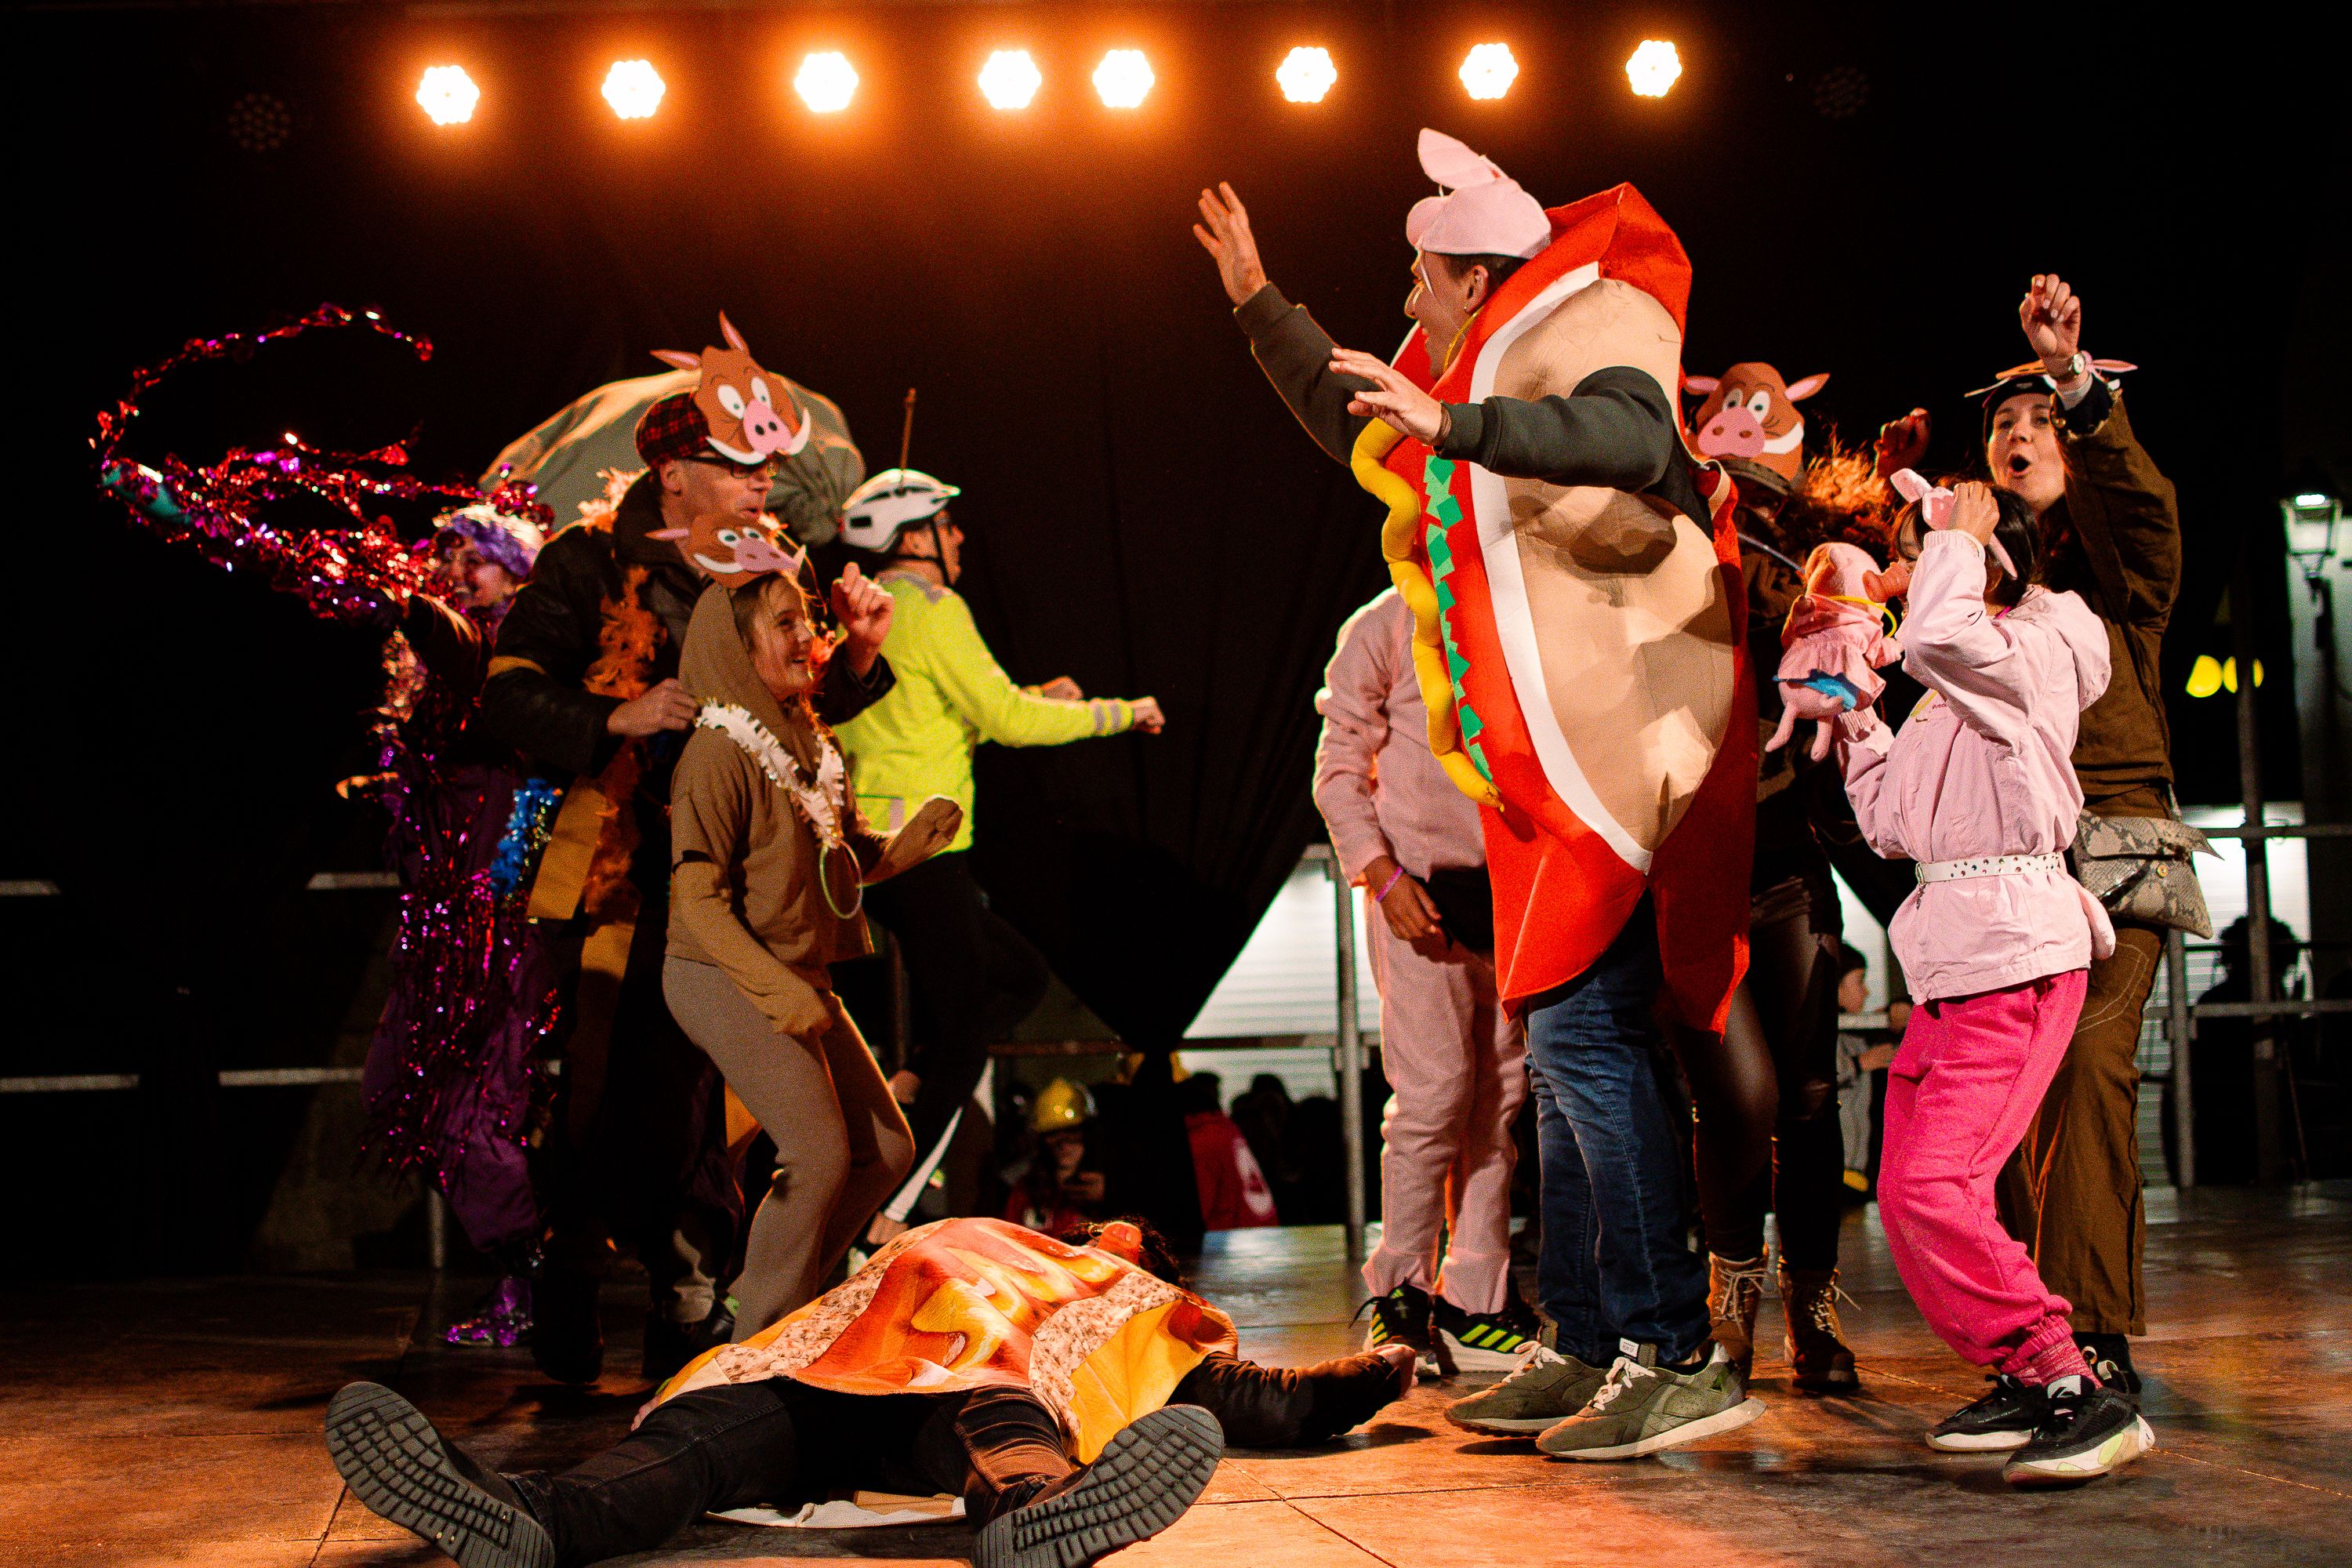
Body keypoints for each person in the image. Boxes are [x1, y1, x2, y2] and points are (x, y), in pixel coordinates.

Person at [1197, 130, 1765, 1461]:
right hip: (1545, 802)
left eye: (1420, 280)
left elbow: (1632, 432)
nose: (1406, 304)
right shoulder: (1475, 388)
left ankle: (1668, 1348)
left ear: (1475, 277)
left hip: (1620, 779)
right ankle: (1584, 1336)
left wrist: (1457, 420)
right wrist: (1255, 301)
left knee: (1583, 1057)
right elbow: (1358, 412)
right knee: (1563, 1078)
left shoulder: (1592, 333)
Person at [480, 317, 901, 1384]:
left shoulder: (776, 565)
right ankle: (578, 1293)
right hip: (627, 881)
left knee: (736, 1113)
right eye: (738, 463)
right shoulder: (585, 564)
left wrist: (852, 654)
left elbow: (799, 709)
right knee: (608, 1102)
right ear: (672, 474)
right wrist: (610, 719)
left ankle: (708, 1309)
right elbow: (506, 695)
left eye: (769, 461)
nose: (766, 480)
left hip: (749, 880)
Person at [325, 1217, 1417, 1568]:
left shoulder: (1146, 1311)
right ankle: (530, 1520)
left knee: (995, 1413)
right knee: (712, 1435)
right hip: (830, 1374)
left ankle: (1036, 1521)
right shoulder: (1004, 1239)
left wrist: (1373, 1373)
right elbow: (1276, 1400)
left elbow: (1274, 1400)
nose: (1100, 1236)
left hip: (936, 1388)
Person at [1837, 470, 2151, 1484]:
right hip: (1952, 958)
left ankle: (2076, 1383)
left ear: (1987, 561)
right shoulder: (1948, 694)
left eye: (1944, 548)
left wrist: (1955, 538)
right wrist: (1850, 704)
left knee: (1938, 1185)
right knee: (1906, 1189)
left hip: (2016, 955)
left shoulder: (2039, 646)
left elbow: (1938, 634)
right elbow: (1888, 822)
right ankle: (2026, 1371)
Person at [831, 468, 1167, 1246]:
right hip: (922, 847)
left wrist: (1032, 696)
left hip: (869, 848)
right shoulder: (934, 604)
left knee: (1016, 975)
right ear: (913, 537)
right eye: (945, 524)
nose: (957, 536)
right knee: (966, 1034)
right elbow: (1009, 723)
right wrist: (1119, 712)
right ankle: (888, 1209)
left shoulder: (872, 611)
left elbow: (936, 714)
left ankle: (906, 1082)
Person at [1980, 275, 2198, 1400]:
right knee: (2014, 1091)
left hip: (2119, 845)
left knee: (2091, 1064)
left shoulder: (2124, 578)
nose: (2022, 433)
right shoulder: (1979, 585)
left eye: (2040, 419)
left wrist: (2073, 379)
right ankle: (2035, 1334)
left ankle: (2092, 1329)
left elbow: (2143, 507)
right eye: (2005, 423)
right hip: (2010, 865)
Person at [665, 563, 966, 1338]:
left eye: (807, 618)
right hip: (719, 968)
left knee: (886, 1149)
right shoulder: (717, 750)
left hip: (794, 970)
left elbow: (843, 860)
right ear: (736, 646)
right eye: (784, 623)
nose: (808, 635)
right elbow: (697, 902)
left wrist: (903, 848)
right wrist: (771, 988)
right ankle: (748, 1342)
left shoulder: (808, 742)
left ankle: (782, 1301)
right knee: (819, 1152)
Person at [1312, 586, 1537, 1371]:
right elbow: (1337, 769)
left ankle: (1475, 1295)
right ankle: (1397, 1288)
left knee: (1498, 1100)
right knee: (1436, 1091)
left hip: (1510, 891)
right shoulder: (1382, 622)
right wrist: (1379, 873)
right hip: (1415, 890)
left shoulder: (1517, 606)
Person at [358, 503, 555, 1349]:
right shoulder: (441, 673)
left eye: (473, 559)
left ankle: (537, 1277)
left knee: (483, 1114)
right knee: (394, 1091)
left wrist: (371, 579)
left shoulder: (500, 658)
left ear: (514, 569)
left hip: (496, 920)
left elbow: (444, 638)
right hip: (437, 925)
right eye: (445, 559)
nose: (456, 572)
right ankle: (532, 1262)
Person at [481, 315, 865, 546]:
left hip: (510, 518)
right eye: (745, 468)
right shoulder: (732, 419)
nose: (763, 484)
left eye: (766, 471)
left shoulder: (644, 402)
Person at [1002, 1078, 1109, 1235]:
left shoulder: (1106, 1189)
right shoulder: (1026, 1192)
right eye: (1053, 1135)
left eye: (1071, 1133)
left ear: (1087, 1135)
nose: (1064, 1145)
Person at [1177, 1073, 1280, 1230]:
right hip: (1258, 1230)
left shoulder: (1201, 1140)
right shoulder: (1224, 1127)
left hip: (1232, 1239)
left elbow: (1199, 1206)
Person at [1832, 943, 1896, 1196]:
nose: (1866, 992)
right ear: (1834, 986)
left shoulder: (1855, 1035)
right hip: (1837, 1168)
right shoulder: (1825, 1035)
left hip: (1853, 1168)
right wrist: (1860, 1063)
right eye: (1859, 982)